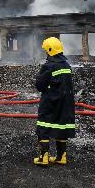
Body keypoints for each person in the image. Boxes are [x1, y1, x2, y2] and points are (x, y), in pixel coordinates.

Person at [34, 37, 75, 166]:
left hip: (51, 101)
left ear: (50, 50)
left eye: (46, 50)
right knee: (62, 127)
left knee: (43, 127)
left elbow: (40, 85)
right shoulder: (66, 65)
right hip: (66, 102)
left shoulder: (49, 66)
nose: (45, 53)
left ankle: (43, 157)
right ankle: (61, 156)